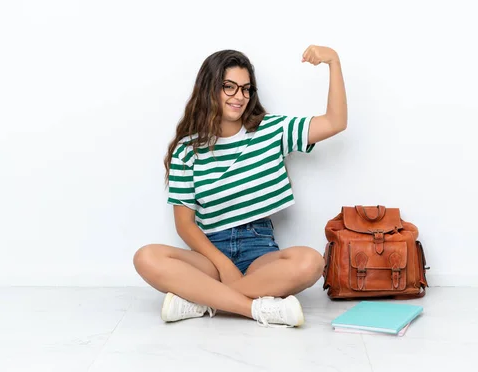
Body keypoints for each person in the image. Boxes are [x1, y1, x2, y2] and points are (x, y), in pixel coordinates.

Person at [133, 45, 347, 327]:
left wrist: (333, 62)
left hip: (260, 252)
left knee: (311, 263)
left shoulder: (272, 130)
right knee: (146, 257)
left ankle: (202, 301)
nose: (240, 97)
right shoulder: (187, 150)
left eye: (246, 89)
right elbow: (185, 224)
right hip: (210, 255)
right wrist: (223, 264)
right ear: (210, 89)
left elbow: (335, 122)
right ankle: (255, 309)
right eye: (229, 87)